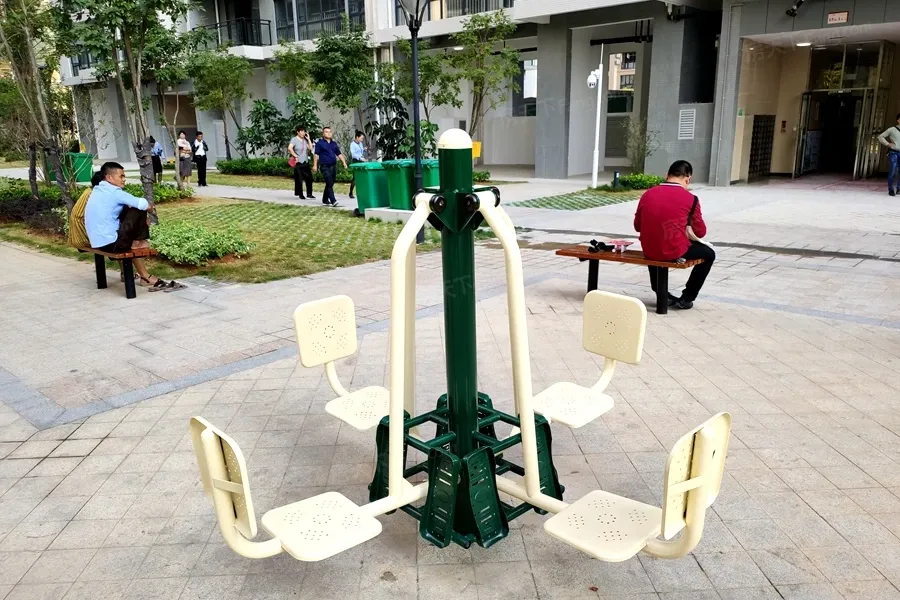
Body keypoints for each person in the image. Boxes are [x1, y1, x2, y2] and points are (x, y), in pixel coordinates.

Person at [85, 162, 182, 292]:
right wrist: (149, 211)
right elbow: (144, 204)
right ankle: (138, 246)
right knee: (138, 208)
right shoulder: (114, 192)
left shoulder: (98, 190)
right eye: (121, 176)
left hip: (98, 241)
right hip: (111, 243)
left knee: (128, 208)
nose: (124, 179)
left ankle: (136, 255)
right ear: (109, 177)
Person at [633, 160, 715, 310]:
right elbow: (701, 232)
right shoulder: (691, 199)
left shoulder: (647, 194)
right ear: (688, 179)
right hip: (674, 250)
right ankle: (687, 298)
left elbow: (637, 226)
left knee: (655, 240)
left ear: (667, 175)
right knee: (709, 254)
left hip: (649, 250)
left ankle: (661, 292)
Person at [312, 126, 348, 207]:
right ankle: (333, 200)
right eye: (326, 132)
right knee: (329, 182)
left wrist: (344, 162)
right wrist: (315, 165)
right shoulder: (320, 143)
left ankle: (325, 199)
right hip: (324, 166)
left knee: (330, 183)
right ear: (323, 134)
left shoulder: (333, 143)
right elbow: (316, 154)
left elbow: (339, 153)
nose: (328, 133)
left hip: (333, 166)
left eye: (330, 132)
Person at [288, 126, 314, 200]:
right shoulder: (294, 139)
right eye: (301, 131)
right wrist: (295, 156)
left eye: (304, 131)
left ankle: (309, 194)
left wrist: (308, 139)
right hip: (298, 163)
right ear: (298, 132)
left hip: (305, 162)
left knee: (309, 178)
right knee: (299, 179)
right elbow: (289, 148)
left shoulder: (304, 140)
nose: (303, 133)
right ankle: (300, 194)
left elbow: (311, 148)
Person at [877, 113, 900, 196]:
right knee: (892, 171)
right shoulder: (892, 129)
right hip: (893, 152)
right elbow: (880, 137)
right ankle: (891, 189)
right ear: (898, 120)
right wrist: (887, 144)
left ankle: (899, 188)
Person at [348, 131, 367, 199]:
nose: (362, 140)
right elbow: (353, 154)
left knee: (362, 176)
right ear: (357, 137)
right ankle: (351, 192)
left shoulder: (360, 144)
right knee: (355, 177)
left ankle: (361, 192)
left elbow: (361, 153)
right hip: (356, 161)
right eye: (361, 138)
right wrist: (360, 158)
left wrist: (364, 150)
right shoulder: (352, 144)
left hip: (361, 160)